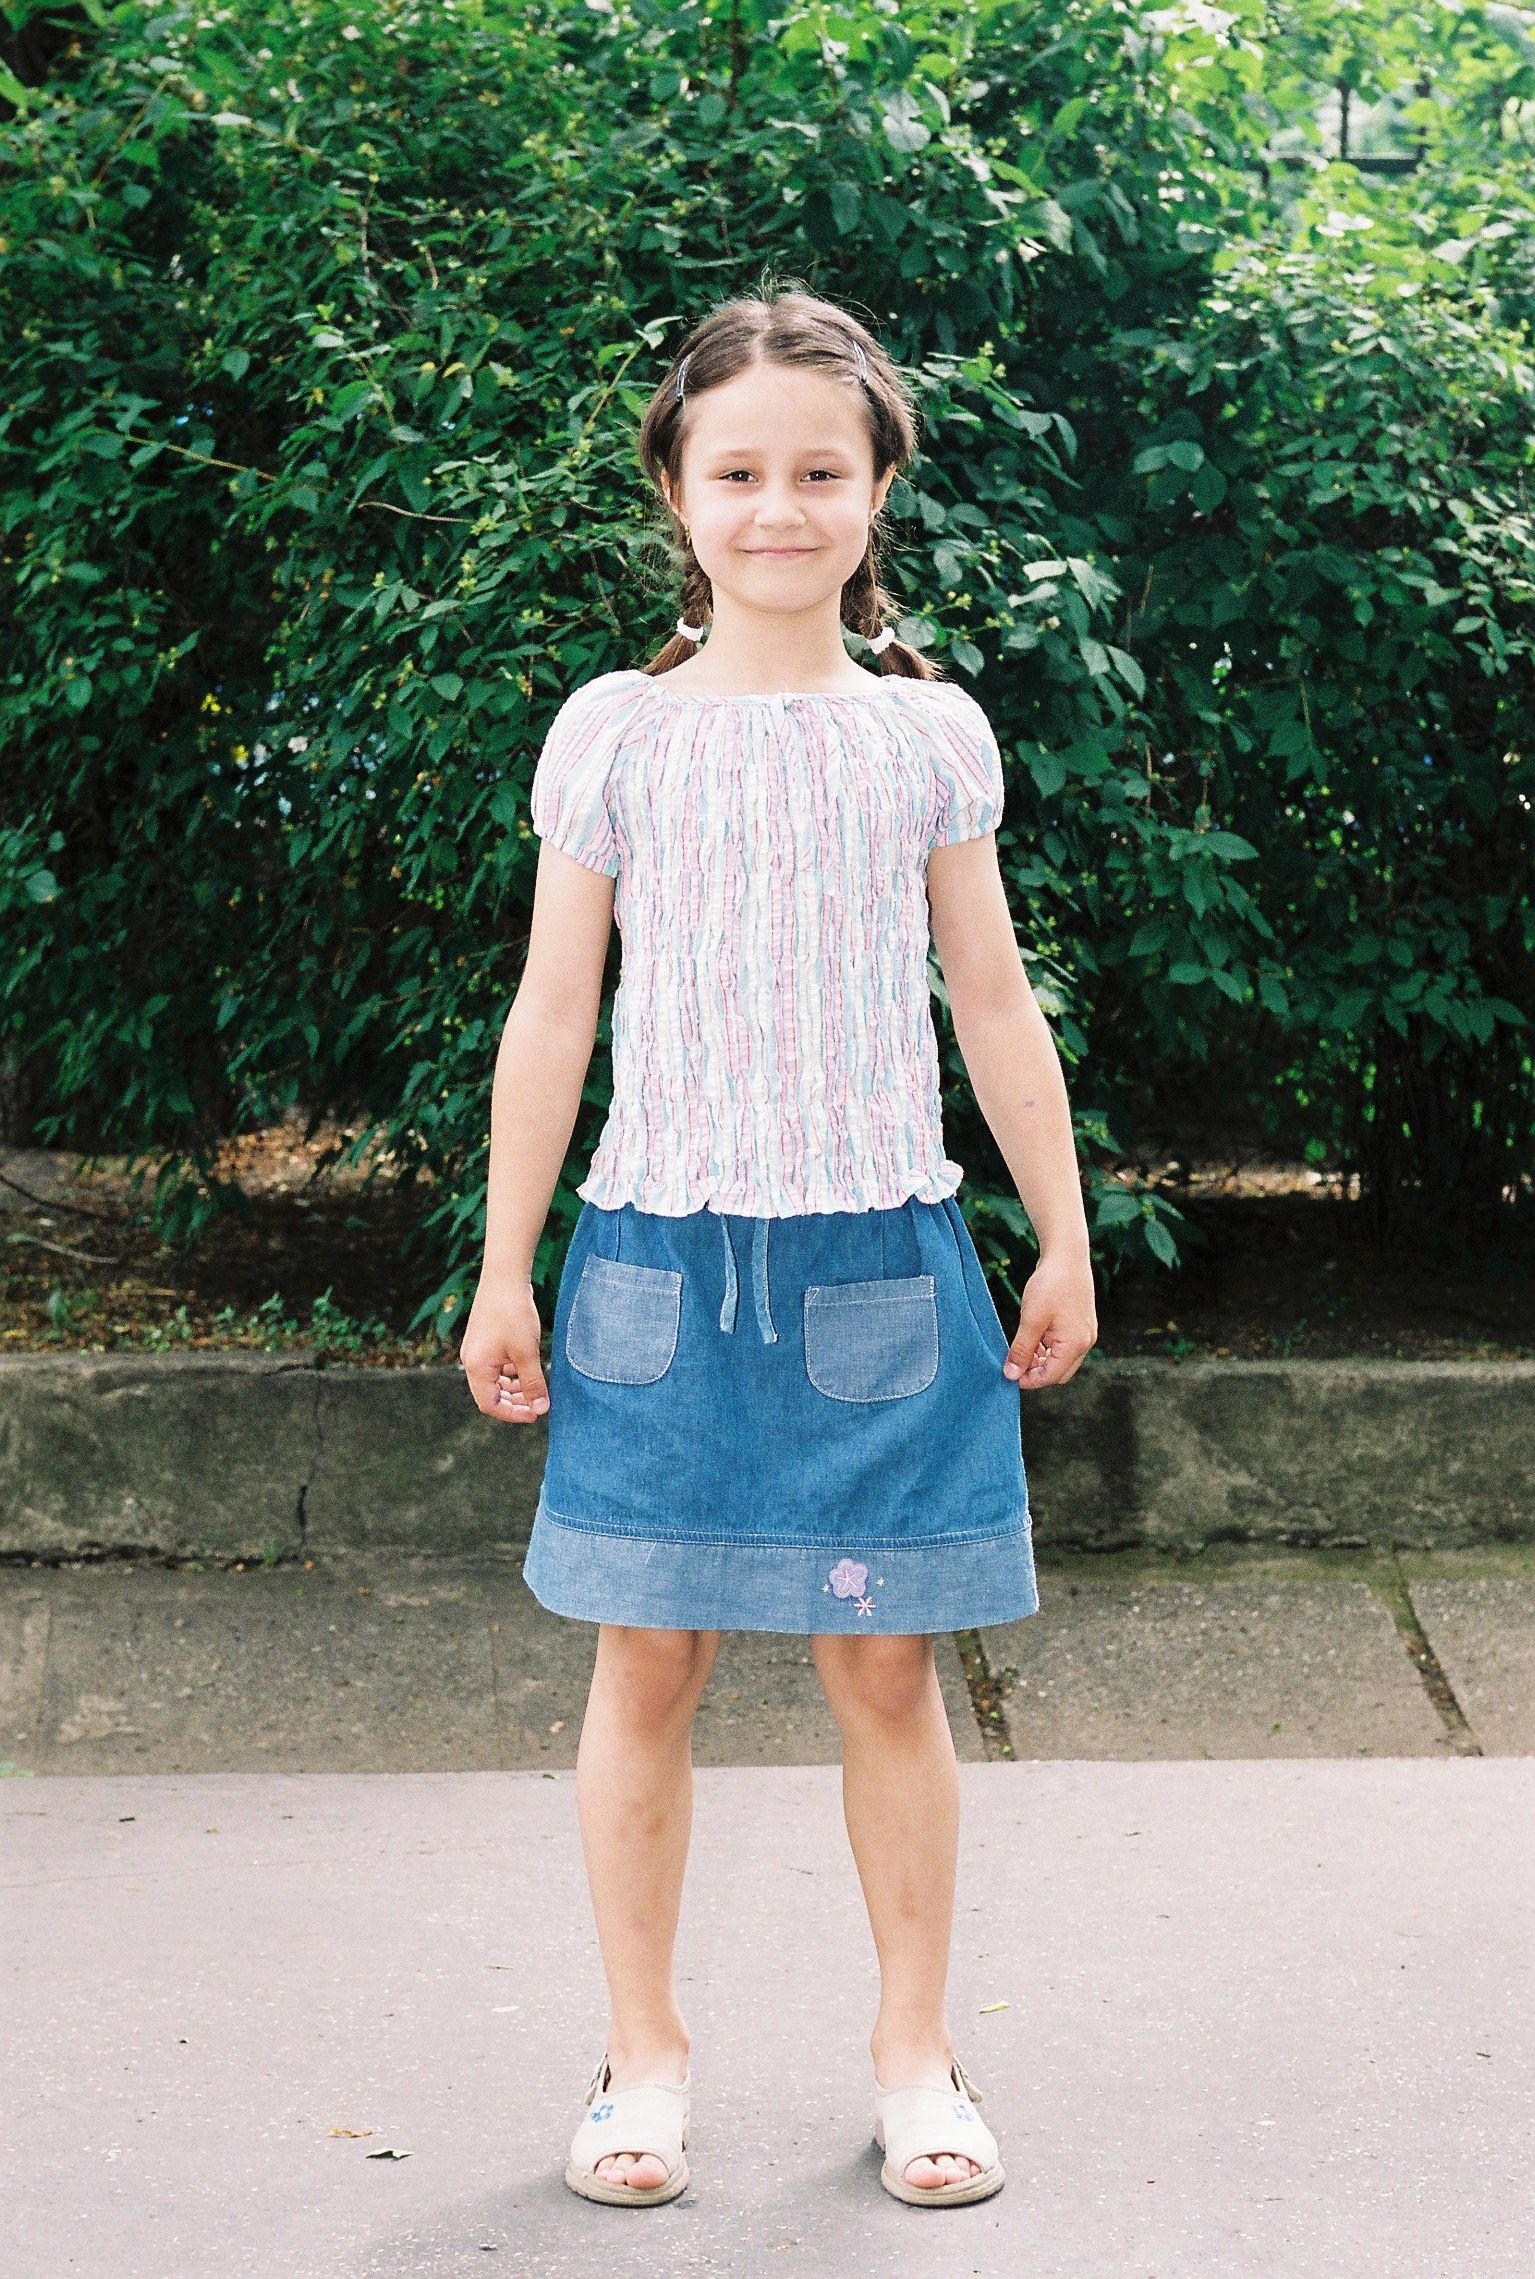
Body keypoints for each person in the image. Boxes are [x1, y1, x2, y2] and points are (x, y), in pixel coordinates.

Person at [459, 284, 1097, 2212]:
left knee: (886, 1672)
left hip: (881, 1269)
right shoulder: (615, 735)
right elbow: (553, 1015)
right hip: (655, 1273)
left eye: (821, 471)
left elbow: (992, 1001)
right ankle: (640, 2061)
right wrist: (503, 1264)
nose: (778, 508)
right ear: (676, 488)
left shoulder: (927, 737)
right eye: (736, 472)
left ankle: (917, 2057)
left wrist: (1062, 1235)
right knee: (646, 1660)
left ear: (879, 486)